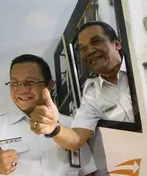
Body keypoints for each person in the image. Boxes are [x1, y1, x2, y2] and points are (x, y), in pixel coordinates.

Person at [29, 21, 134, 150]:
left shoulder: (140, 68)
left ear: (117, 44)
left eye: (96, 41)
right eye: (83, 48)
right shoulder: (92, 94)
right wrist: (53, 128)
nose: (89, 51)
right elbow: (77, 138)